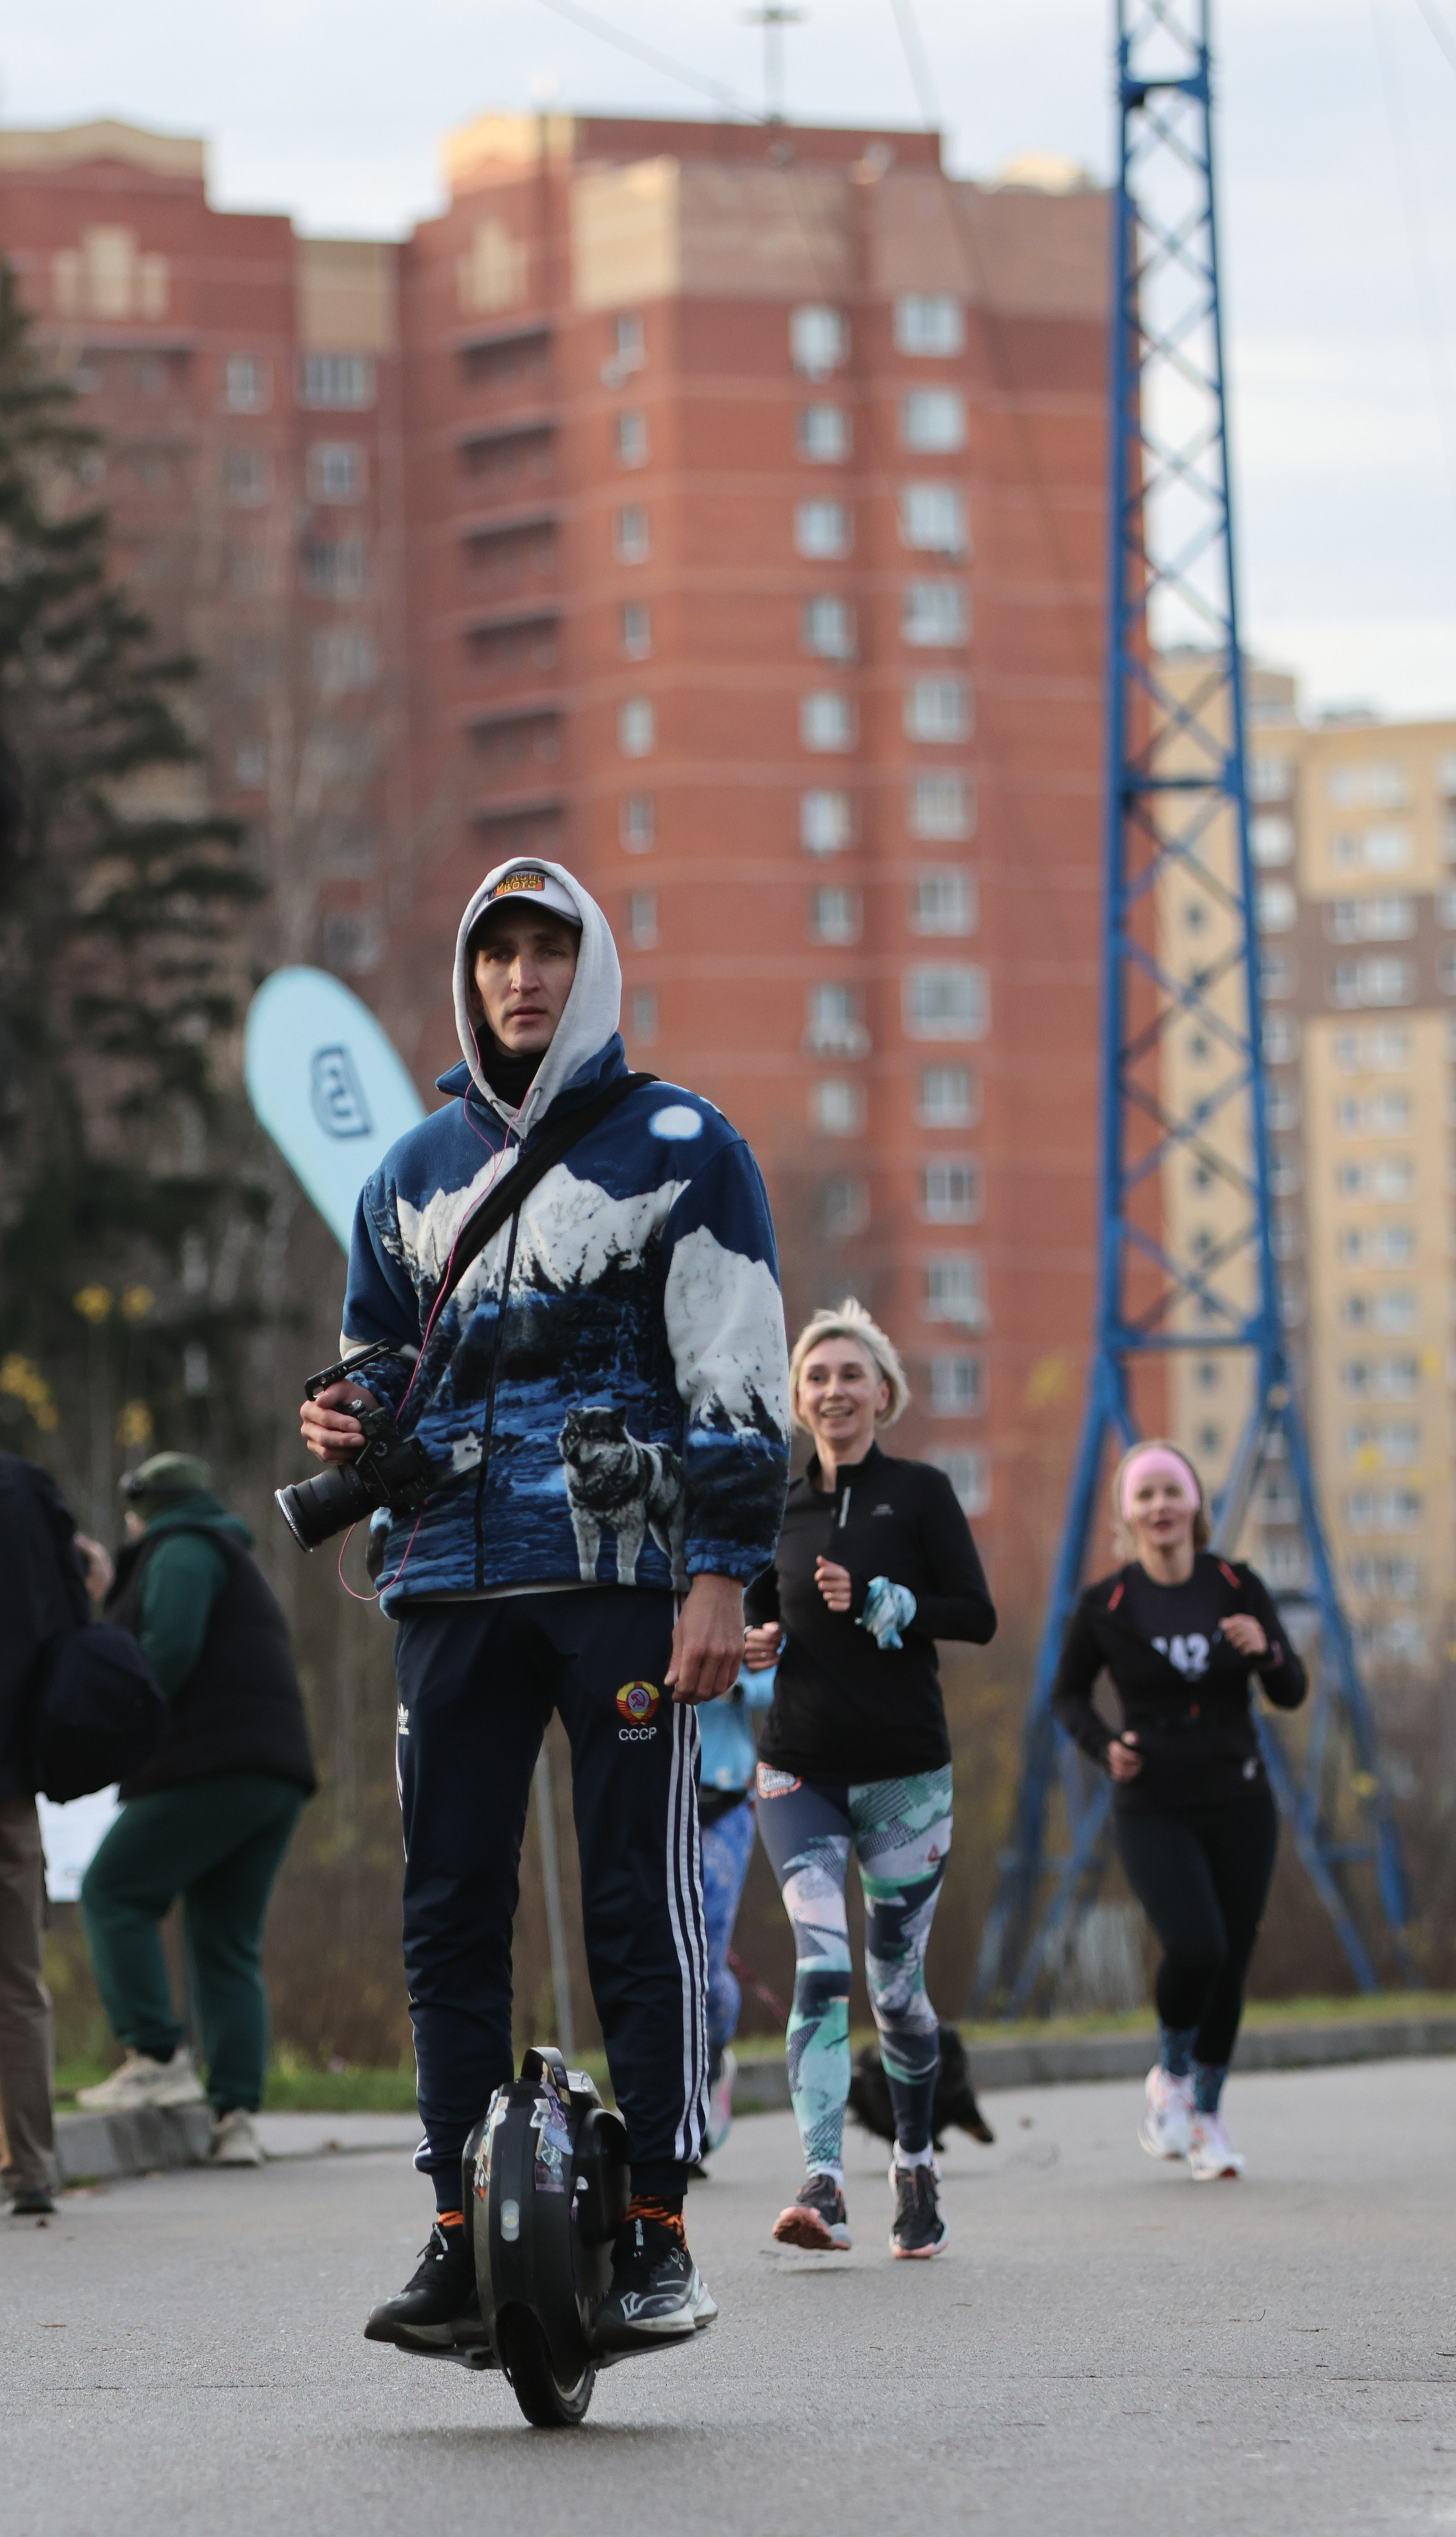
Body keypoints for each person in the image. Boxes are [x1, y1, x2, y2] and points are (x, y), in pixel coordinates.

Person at [298, 857, 788, 2356]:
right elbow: (378, 1351)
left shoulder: (685, 1144)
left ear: (594, 973)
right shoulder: (410, 1168)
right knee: (445, 1903)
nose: (522, 975)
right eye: (498, 951)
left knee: (634, 1902)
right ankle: (456, 2221)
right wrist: (345, 1417)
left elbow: (736, 1369)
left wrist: (720, 1571)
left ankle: (655, 2233)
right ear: (468, 973)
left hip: (625, 1579)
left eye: (549, 951)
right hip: (445, 1575)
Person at [745, 1299, 996, 2260]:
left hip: (904, 1777)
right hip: (797, 1769)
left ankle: (916, 2163)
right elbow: (763, 1612)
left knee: (896, 1993)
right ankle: (822, 2179)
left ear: (883, 1394)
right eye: (817, 1377)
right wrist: (759, 1637)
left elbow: (976, 1615)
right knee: (820, 1966)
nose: (835, 1390)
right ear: (798, 1401)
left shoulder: (922, 1493)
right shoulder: (778, 1504)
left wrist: (897, 1602)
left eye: (852, 1375)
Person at [1050, 1439, 1307, 2182]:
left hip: (1240, 1795)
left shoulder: (1236, 1583)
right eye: (1144, 1495)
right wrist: (1104, 1746)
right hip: (1152, 1802)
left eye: (1172, 1491)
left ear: (1195, 1503)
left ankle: (1207, 2120)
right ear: (1126, 1514)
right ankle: (1170, 2077)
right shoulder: (1106, 1604)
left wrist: (1264, 1651)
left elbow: (1291, 1689)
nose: (1159, 1506)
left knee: (1232, 1962)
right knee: (1196, 1946)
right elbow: (1066, 1695)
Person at [75, 1453, 316, 2168]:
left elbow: (168, 1650)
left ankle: (154, 2054)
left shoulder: (178, 1549)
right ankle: (235, 2117)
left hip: (210, 1766)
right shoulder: (225, 1554)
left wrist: (110, 1725)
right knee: (224, 1942)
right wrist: (110, 1590)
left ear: (143, 1507)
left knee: (113, 1889)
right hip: (272, 1775)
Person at [0, 1451, 106, 2217]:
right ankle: (32, 2167)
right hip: (7, 1771)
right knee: (16, 1980)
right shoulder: (25, 1486)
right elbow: (73, 1619)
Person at [693, 1657, 775, 2162]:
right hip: (661, 1796)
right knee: (662, 1956)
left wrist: (731, 1682)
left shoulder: (739, 1599)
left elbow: (776, 1683)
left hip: (725, 1803)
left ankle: (713, 2060)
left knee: (705, 1956)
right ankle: (670, 2105)